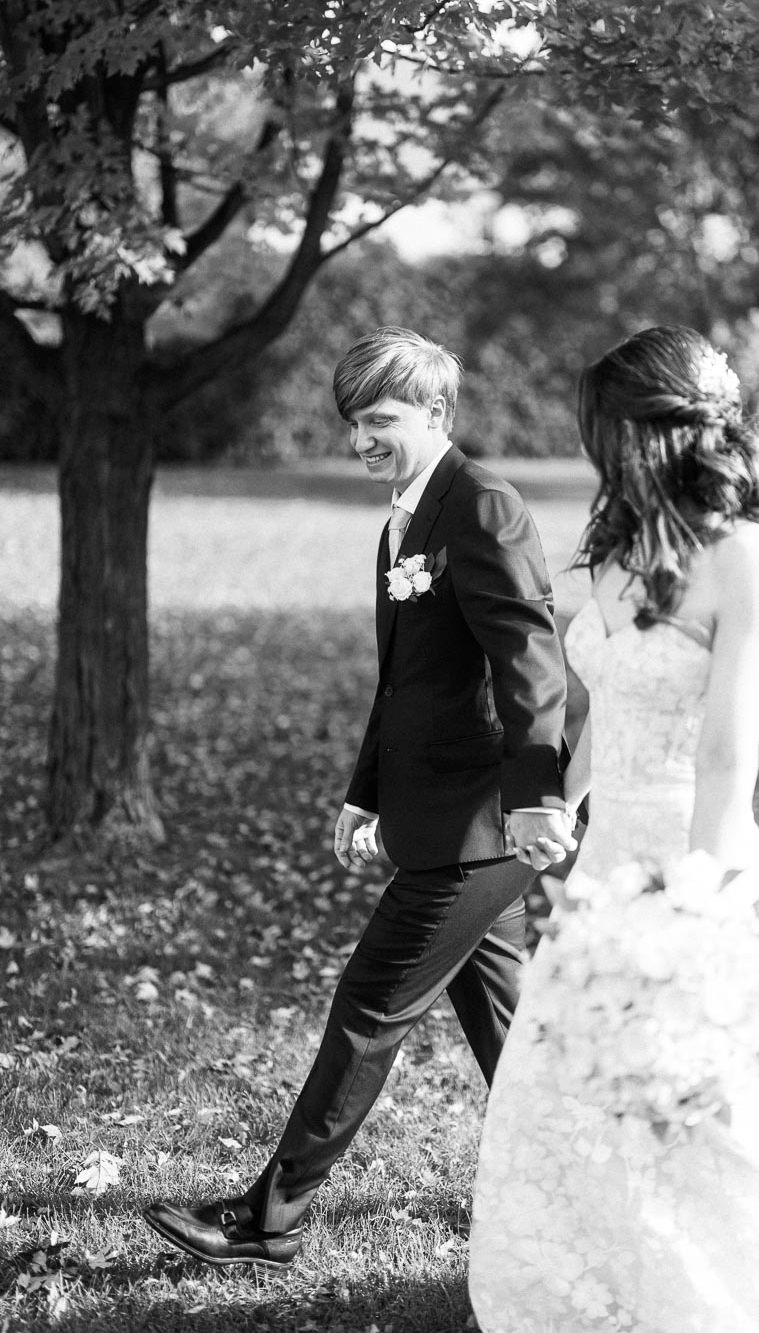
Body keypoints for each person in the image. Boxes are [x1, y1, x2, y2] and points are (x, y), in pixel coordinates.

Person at [468, 325, 759, 1332]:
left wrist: (694, 911)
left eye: (606, 434)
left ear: (653, 433)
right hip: (607, 866)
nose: (595, 455)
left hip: (693, 863)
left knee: (696, 1108)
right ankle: (601, 1283)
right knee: (566, 1088)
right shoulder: (620, 550)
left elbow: (726, 756)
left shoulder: (744, 559)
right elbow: (609, 704)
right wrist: (562, 802)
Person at [143, 326, 575, 1267]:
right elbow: (407, 681)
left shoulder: (483, 506)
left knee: (368, 1007)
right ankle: (581, 1184)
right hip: (435, 811)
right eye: (354, 422)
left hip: (485, 824)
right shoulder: (407, 516)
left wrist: (539, 796)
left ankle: (271, 1217)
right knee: (512, 1028)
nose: (361, 439)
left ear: (436, 412)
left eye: (380, 419)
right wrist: (364, 792)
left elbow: (532, 661)